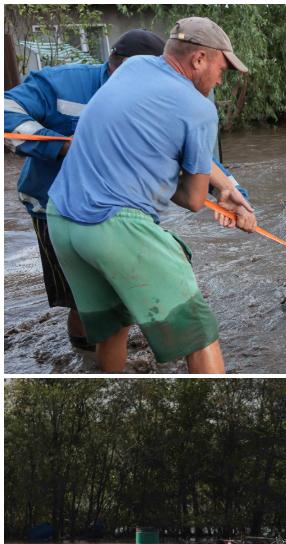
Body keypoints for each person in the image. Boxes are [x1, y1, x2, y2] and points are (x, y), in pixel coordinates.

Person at [44, 17, 256, 373]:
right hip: (113, 227)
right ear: (199, 59)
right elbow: (191, 199)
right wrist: (217, 195)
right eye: (223, 68)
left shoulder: (134, 66)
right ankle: (219, 417)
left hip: (61, 221)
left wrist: (227, 187)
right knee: (199, 332)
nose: (222, 78)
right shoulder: (200, 109)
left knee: (114, 328)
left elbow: (147, 143)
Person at [4, 30, 167, 350]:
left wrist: (231, 192)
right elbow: (4, 109)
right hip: (52, 206)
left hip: (120, 209)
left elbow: (191, 159)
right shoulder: (62, 84)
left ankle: (107, 351)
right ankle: (86, 360)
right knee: (82, 298)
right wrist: (63, 147)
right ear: (117, 67)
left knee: (132, 287)